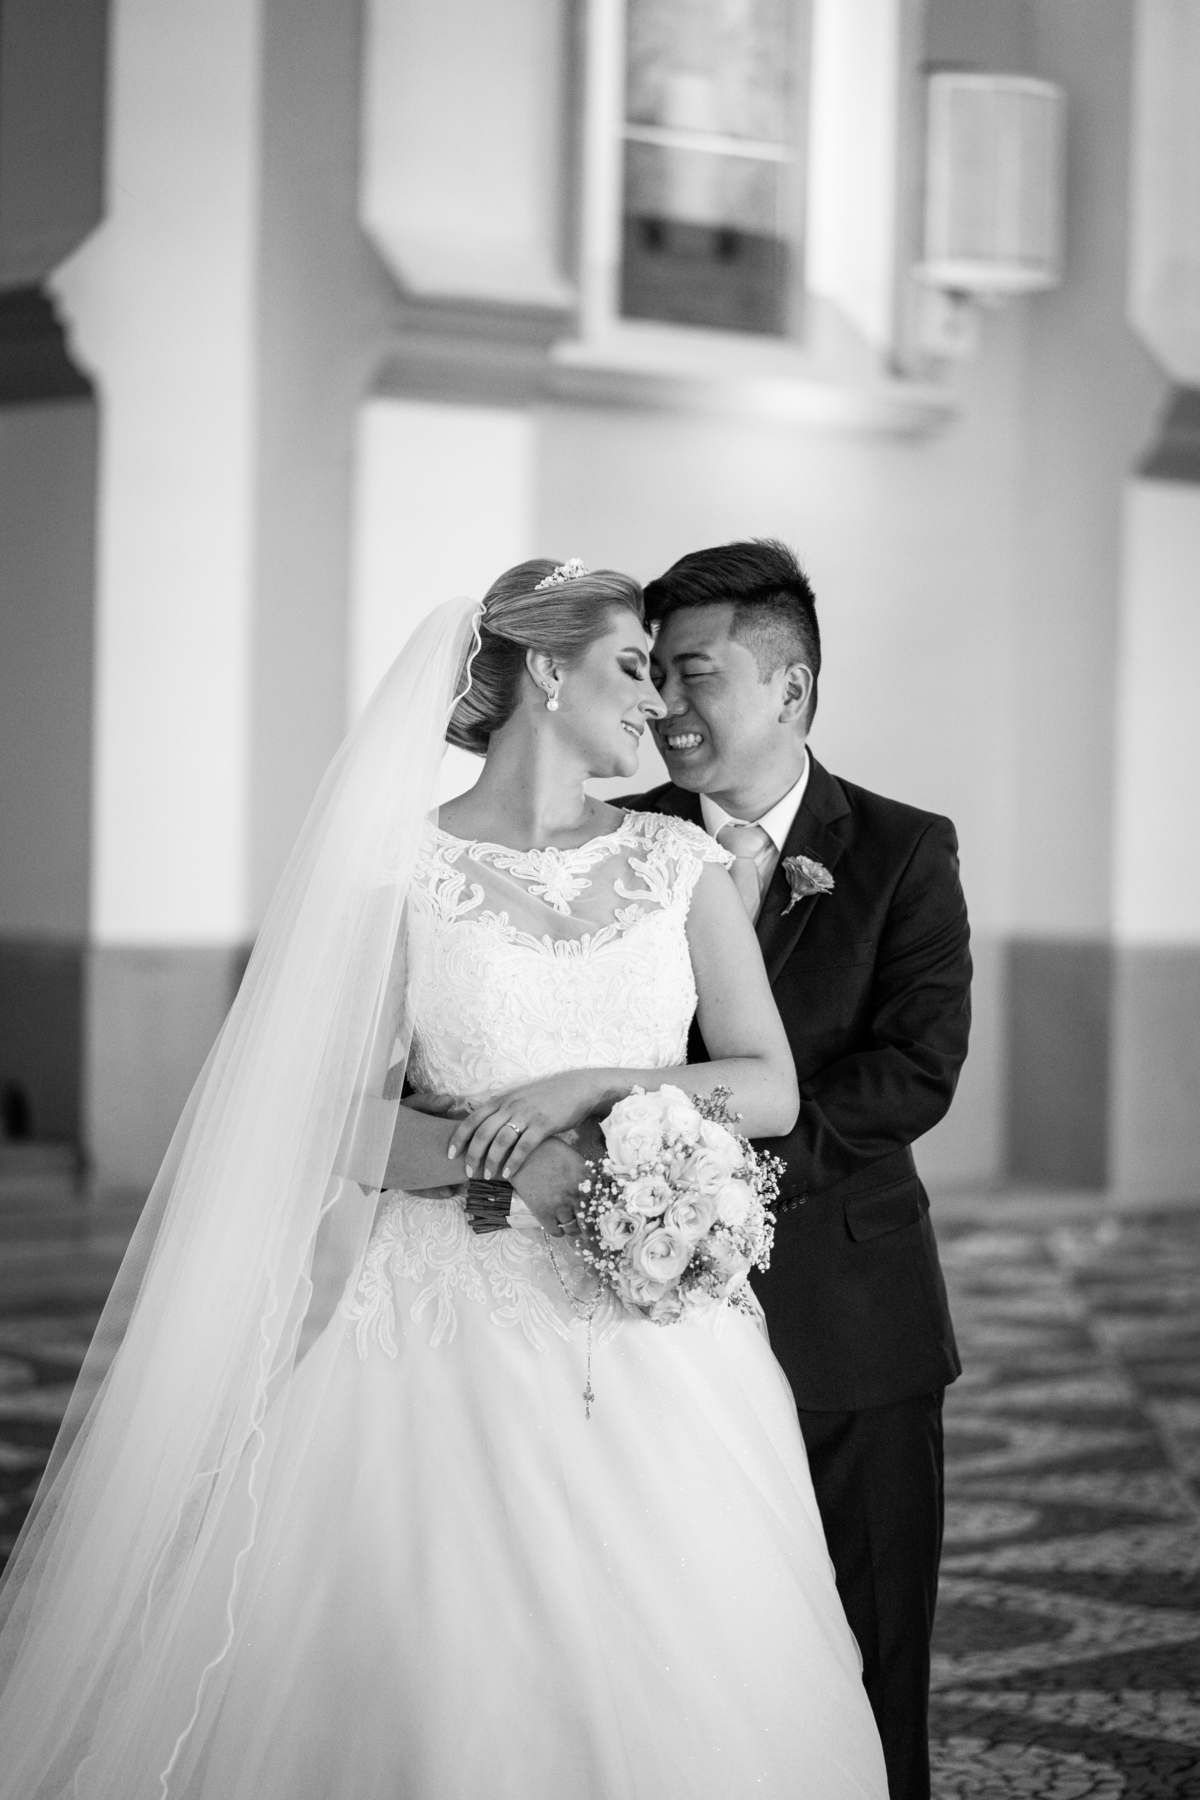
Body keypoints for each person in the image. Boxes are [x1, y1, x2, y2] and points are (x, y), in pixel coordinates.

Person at [0, 559, 888, 1799]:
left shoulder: (680, 869)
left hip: (649, 1338)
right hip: (432, 1325)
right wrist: (518, 1173)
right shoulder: (402, 878)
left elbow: (769, 1085)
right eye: (631, 666)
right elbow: (326, 1125)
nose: (655, 705)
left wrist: (582, 1093)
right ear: (544, 670)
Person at [624, 540, 971, 1800]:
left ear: (792, 690)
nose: (663, 704)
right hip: (641, 1312)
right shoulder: (617, 849)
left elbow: (915, 1069)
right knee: (679, 1649)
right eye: (652, 671)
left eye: (694, 673)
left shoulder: (902, 849)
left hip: (851, 1314)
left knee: (874, 1656)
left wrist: (724, 1178)